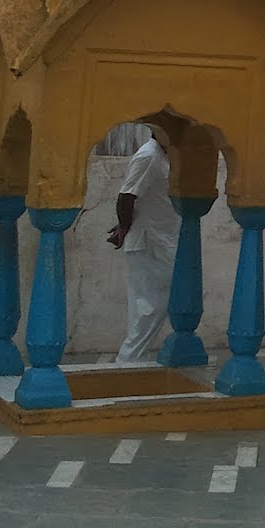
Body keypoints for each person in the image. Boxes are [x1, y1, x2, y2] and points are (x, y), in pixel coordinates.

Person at [107, 133, 180, 363]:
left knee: (152, 305)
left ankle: (133, 360)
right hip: (149, 241)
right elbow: (126, 196)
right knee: (150, 307)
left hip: (158, 239)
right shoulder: (149, 156)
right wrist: (124, 226)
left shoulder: (161, 155)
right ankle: (128, 361)